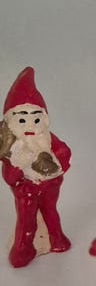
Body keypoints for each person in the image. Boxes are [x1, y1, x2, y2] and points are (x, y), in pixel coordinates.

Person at [0, 67, 71, 267]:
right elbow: (9, 177)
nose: (30, 126)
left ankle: (56, 239)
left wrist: (56, 165)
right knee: (26, 219)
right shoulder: (12, 148)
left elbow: (64, 153)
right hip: (26, 188)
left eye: (36, 119)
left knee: (50, 211)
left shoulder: (47, 139)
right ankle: (22, 250)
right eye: (22, 120)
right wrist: (19, 164)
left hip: (50, 184)